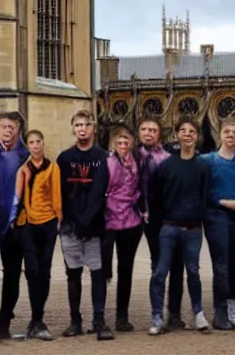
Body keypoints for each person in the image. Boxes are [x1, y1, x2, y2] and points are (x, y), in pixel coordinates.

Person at [148, 118, 211, 335]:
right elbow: (157, 196)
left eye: (191, 131)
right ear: (177, 135)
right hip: (169, 226)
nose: (187, 134)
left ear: (197, 136)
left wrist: (198, 215)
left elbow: (205, 195)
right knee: (160, 272)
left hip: (193, 228)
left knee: (193, 272)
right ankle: (157, 316)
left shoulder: (202, 166)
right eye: (183, 130)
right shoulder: (166, 165)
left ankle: (198, 313)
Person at [56, 110, 113, 340]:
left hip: (96, 226)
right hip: (71, 226)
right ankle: (75, 320)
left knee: (98, 273)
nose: (82, 129)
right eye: (78, 124)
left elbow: (107, 192)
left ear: (93, 128)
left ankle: (99, 320)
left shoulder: (104, 157)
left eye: (86, 124)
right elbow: (59, 192)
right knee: (73, 274)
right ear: (73, 128)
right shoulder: (64, 159)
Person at [13, 130, 61, 340]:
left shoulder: (52, 167)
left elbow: (56, 195)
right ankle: (35, 320)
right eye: (31, 142)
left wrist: (58, 218)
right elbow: (18, 197)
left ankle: (37, 319)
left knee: (45, 271)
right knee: (32, 271)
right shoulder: (23, 169)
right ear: (28, 145)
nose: (35, 146)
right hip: (28, 224)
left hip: (48, 223)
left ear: (43, 143)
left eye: (38, 142)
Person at [137, 117, 185, 330]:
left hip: (165, 217)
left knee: (175, 264)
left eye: (153, 130)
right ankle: (155, 314)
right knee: (156, 265)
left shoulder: (167, 159)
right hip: (136, 216)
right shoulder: (130, 155)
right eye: (144, 129)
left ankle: (174, 314)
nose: (148, 133)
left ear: (159, 134)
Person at [201, 118, 235, 330]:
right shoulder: (208, 160)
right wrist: (222, 201)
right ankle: (220, 313)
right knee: (221, 265)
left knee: (233, 264)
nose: (230, 136)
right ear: (220, 135)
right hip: (216, 215)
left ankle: (230, 305)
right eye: (227, 132)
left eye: (234, 133)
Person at [101, 125, 146, 332]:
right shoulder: (109, 162)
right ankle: (99, 317)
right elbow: (105, 190)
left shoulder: (137, 161)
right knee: (104, 270)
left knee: (125, 269)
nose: (123, 145)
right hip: (110, 220)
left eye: (126, 141)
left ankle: (122, 316)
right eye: (119, 141)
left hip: (131, 220)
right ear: (113, 143)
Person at [0, 111, 28, 340]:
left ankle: (3, 322)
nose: (8, 131)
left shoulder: (26, 156)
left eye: (12, 127)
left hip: (13, 226)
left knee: (12, 274)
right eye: (4, 126)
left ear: (18, 131)